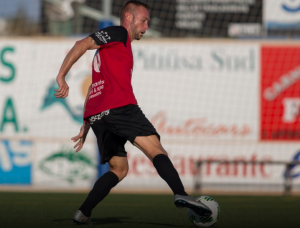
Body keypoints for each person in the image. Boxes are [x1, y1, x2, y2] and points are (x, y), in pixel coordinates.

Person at [54, 0, 212, 225]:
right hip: (120, 108)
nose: (146, 27)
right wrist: (61, 75)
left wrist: (87, 122)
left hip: (99, 115)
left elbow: (93, 86)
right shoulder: (118, 32)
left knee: (119, 169)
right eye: (144, 20)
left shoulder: (112, 50)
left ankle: (83, 213)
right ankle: (180, 193)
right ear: (128, 17)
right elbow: (82, 43)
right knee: (155, 148)